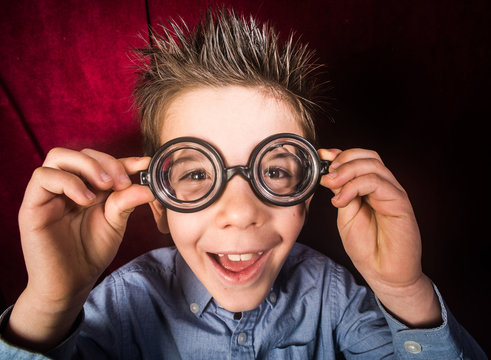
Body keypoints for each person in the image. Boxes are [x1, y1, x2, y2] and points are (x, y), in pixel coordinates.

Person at [0, 8, 486, 359]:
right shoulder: (122, 304)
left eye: (274, 171)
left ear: (311, 191)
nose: (240, 211)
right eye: (195, 174)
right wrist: (50, 303)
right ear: (159, 207)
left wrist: (404, 290)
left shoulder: (333, 298)